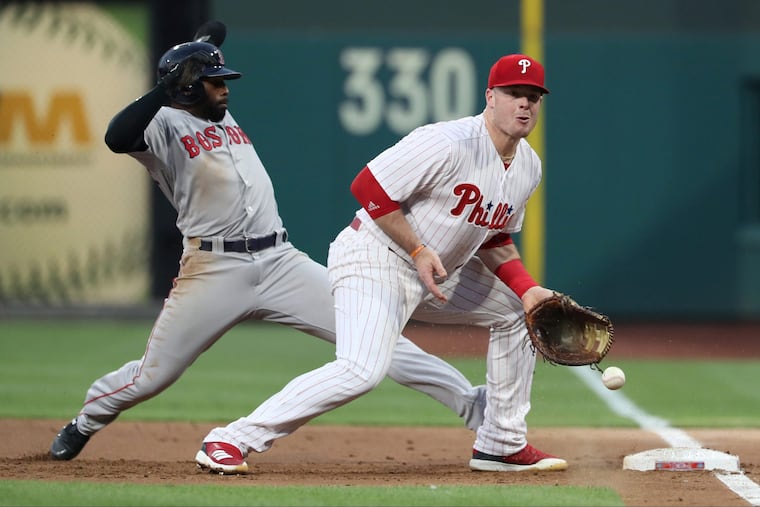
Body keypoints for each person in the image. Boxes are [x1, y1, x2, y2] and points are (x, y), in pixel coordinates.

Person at [49, 40, 487, 464]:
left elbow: (205, 60)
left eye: (224, 79)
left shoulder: (218, 111)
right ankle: (85, 421)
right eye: (214, 80)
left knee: (378, 339)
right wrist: (169, 85)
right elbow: (114, 136)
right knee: (152, 376)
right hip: (215, 268)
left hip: (280, 262)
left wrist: (201, 50)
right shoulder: (162, 124)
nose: (225, 87)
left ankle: (475, 408)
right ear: (184, 88)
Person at [196, 53, 568, 474]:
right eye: (514, 93)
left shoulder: (528, 167)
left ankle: (501, 441)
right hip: (377, 259)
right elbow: (368, 185)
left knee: (522, 315)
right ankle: (231, 439)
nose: (524, 104)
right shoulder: (447, 142)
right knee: (360, 370)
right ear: (490, 97)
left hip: (441, 272)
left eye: (533, 97)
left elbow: (495, 236)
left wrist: (527, 290)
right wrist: (416, 248)